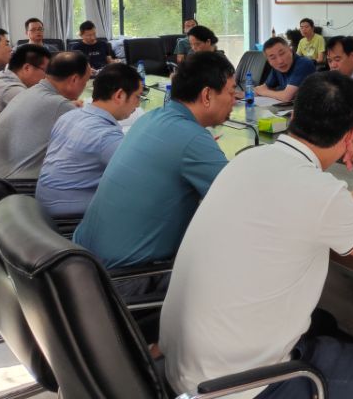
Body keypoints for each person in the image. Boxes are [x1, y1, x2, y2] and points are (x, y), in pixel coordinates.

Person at [160, 72, 353, 399]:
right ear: (352, 134)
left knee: (326, 321)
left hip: (186, 370)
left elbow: (310, 207)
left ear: (293, 116)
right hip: (240, 386)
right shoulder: (317, 192)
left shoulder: (248, 159)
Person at [73, 52, 235, 271]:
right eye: (231, 92)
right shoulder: (192, 137)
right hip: (126, 277)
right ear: (207, 95)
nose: (235, 100)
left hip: (85, 263)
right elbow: (240, 202)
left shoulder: (150, 118)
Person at [36, 63, 143, 218]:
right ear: (119, 95)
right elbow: (140, 178)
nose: (138, 104)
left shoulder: (69, 116)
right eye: (137, 97)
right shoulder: (105, 136)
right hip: (69, 217)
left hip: (43, 207)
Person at [0, 51, 90, 179]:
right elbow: (92, 142)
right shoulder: (60, 105)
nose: (84, 87)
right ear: (74, 79)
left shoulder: (31, 91)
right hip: (13, 184)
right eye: (85, 82)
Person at [256, 36, 316, 102]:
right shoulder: (277, 67)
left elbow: (286, 97)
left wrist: (264, 92)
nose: (280, 61)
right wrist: (249, 92)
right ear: (269, 61)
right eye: (273, 58)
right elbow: (263, 87)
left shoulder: (304, 64)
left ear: (290, 50)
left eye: (282, 53)